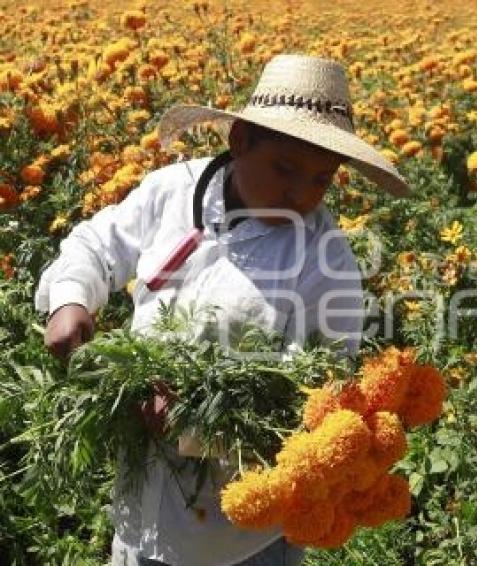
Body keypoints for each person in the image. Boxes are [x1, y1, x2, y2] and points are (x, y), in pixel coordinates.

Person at [35, 54, 410, 566]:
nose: (300, 193)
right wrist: (70, 298)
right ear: (239, 141)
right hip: (140, 513)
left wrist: (196, 423)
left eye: (321, 179)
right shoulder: (174, 190)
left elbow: (319, 403)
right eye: (285, 169)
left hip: (240, 538)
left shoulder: (327, 262)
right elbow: (97, 244)